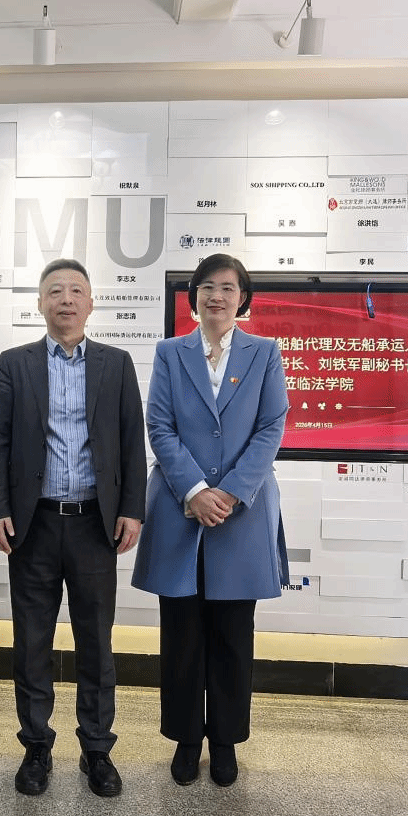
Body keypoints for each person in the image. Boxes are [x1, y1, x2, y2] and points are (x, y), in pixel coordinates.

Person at [0, 258, 146, 798]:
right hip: (33, 524)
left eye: (77, 290)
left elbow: (132, 441)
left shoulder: (115, 363)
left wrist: (132, 509)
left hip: (94, 526)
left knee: (95, 642)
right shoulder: (15, 363)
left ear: (91, 303)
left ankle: (96, 747)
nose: (66, 299)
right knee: (31, 642)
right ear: (40, 303)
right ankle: (36, 745)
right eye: (55, 291)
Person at [132, 253, 289, 788]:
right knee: (181, 635)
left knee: (232, 635)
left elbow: (271, 427)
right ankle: (185, 739)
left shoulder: (265, 352)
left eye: (228, 287)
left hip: (242, 513)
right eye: (207, 287)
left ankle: (224, 742)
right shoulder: (170, 352)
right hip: (181, 508)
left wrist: (229, 492)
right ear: (193, 296)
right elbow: (159, 425)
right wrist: (196, 491)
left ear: (243, 298)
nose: (216, 296)